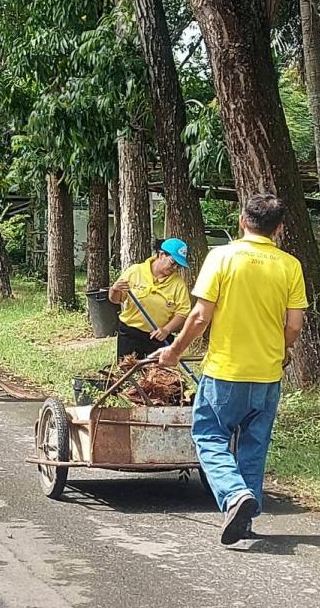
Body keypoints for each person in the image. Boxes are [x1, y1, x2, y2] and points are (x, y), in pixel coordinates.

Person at [156, 194, 307, 546]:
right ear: (279, 229)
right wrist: (281, 349)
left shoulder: (221, 257)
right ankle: (245, 520)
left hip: (225, 371)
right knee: (254, 446)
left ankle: (234, 495)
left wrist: (175, 351)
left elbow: (198, 316)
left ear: (242, 221)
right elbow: (295, 326)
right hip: (268, 375)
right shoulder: (290, 266)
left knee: (209, 436)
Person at [107, 238, 192, 359]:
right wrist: (114, 290)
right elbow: (116, 299)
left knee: (158, 374)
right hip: (131, 333)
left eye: (178, 266)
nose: (174, 268)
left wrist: (166, 330)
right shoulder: (135, 271)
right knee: (128, 370)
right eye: (172, 262)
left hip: (158, 337)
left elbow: (182, 312)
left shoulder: (178, 283)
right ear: (161, 254)